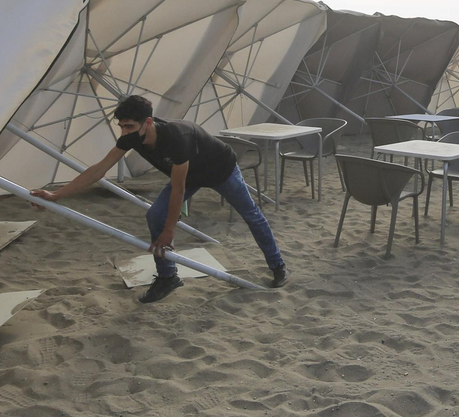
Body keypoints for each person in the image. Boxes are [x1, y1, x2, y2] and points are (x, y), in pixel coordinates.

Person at [31, 95, 288, 302]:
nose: (125, 131)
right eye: (121, 126)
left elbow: (178, 190)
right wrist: (56, 194)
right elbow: (99, 169)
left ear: (149, 122)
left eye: (130, 126)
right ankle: (168, 277)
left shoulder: (178, 138)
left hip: (220, 169)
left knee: (252, 215)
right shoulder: (132, 137)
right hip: (190, 175)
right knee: (154, 214)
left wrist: (170, 231)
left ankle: (277, 266)